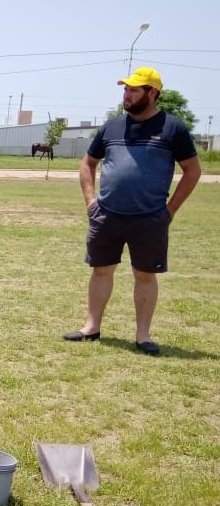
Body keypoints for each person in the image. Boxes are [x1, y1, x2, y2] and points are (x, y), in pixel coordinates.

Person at [63, 67, 201, 355]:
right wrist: (91, 202)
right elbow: (88, 163)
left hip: (149, 218)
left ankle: (143, 335)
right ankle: (92, 327)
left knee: (145, 275)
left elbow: (192, 171)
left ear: (152, 93)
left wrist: (169, 210)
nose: (126, 95)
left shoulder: (173, 128)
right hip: (107, 215)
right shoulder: (111, 127)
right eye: (125, 89)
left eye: (134, 90)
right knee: (101, 270)